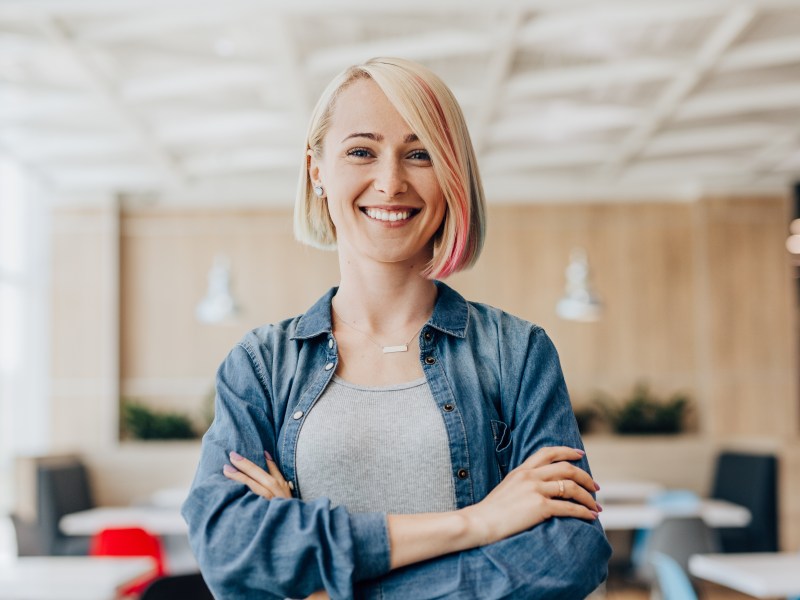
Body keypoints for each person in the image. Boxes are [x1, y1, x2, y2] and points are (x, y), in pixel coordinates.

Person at [181, 57, 611, 600]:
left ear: (452, 176)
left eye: (420, 154)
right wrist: (476, 523)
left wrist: (319, 577)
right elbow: (230, 552)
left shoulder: (517, 354)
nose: (391, 182)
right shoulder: (261, 366)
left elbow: (570, 554)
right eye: (361, 151)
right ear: (317, 170)